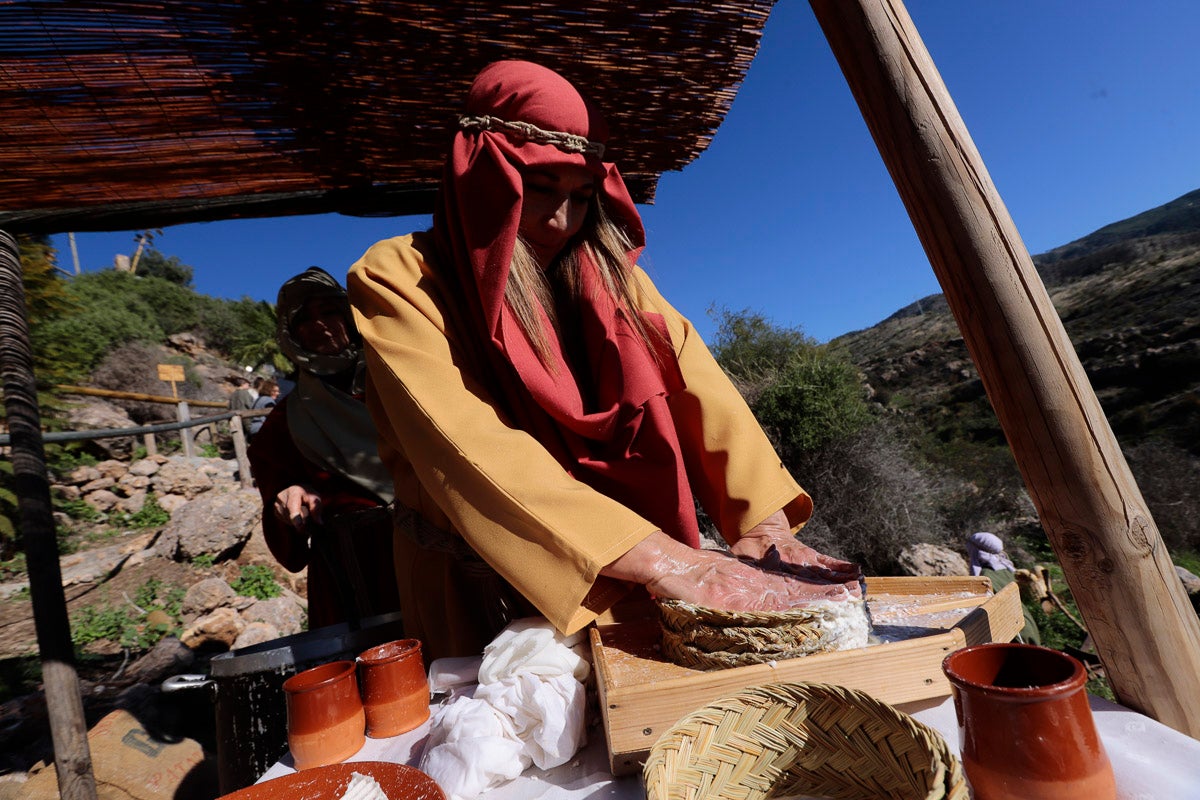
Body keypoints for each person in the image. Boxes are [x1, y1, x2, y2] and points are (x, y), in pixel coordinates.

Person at [347, 60, 860, 660]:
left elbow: (701, 388)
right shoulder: (398, 277)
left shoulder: (616, 284)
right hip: (475, 589)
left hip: (634, 573)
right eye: (537, 190)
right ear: (479, 176)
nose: (560, 222)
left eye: (582, 197)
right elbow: (460, 443)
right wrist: (664, 560)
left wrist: (765, 527)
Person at [247, 268, 402, 628]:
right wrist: (289, 495)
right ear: (291, 333)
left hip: (436, 549)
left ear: (349, 314)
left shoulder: (399, 380)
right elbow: (280, 504)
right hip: (355, 569)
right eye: (303, 318)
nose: (319, 324)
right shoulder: (286, 419)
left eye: (329, 311)